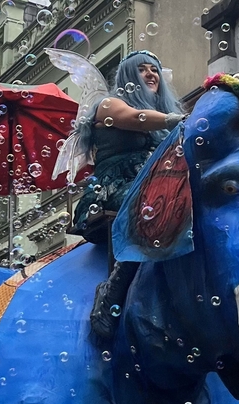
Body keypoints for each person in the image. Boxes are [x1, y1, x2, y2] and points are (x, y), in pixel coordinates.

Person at [71, 50, 184, 340]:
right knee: (156, 206)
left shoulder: (161, 118)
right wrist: (177, 120)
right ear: (128, 78)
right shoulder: (108, 105)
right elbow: (136, 117)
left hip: (153, 185)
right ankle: (111, 293)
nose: (151, 74)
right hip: (115, 187)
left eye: (154, 69)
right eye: (143, 69)